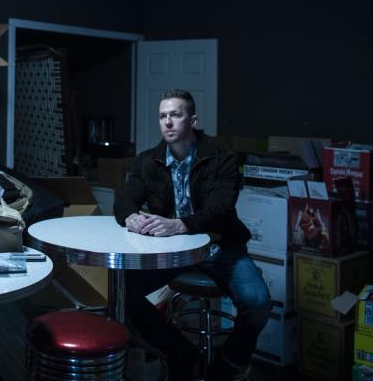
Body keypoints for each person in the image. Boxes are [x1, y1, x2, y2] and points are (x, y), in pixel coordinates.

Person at [113, 89, 270, 381]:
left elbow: (222, 209)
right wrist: (131, 216)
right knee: (123, 293)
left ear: (193, 119)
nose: (168, 122)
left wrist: (180, 224)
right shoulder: (149, 160)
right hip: (174, 252)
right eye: (163, 116)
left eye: (176, 114)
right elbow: (124, 199)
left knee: (258, 301)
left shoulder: (222, 158)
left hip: (219, 248)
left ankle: (229, 364)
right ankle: (181, 353)